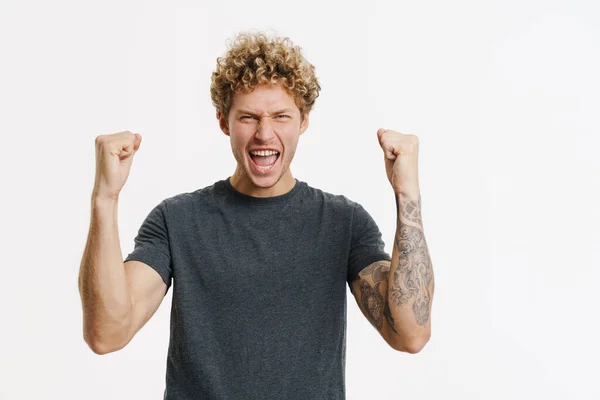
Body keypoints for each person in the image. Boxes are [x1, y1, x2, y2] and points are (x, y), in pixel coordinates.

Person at [78, 30, 434, 400]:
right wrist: (105, 196)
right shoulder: (177, 220)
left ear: (303, 121)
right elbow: (107, 333)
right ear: (223, 122)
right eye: (248, 117)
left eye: (281, 116)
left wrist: (407, 193)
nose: (265, 134)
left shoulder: (343, 223)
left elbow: (410, 334)